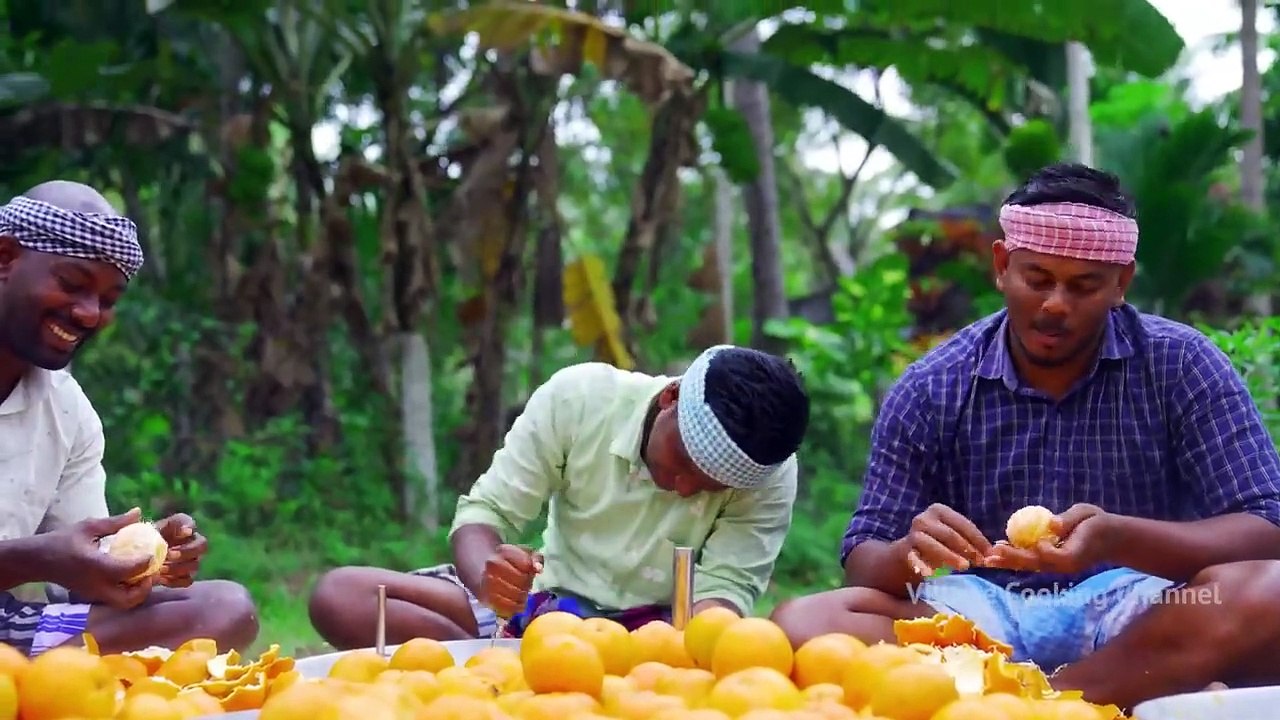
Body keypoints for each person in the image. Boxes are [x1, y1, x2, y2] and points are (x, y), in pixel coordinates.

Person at [769, 163, 1280, 711]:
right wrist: (908, 553)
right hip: (971, 619)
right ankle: (1091, 696)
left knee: (1269, 591)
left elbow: (1266, 527)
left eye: (1084, 285)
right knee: (803, 622)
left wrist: (1116, 538)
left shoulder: (1181, 365)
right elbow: (863, 557)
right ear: (1001, 265)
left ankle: (1041, 701)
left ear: (1121, 284)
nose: (1056, 304)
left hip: (1139, 609)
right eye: (1037, 279)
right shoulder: (932, 385)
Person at [308, 344, 809, 647]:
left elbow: (725, 591)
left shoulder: (768, 472)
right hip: (539, 605)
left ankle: (505, 676)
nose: (684, 487)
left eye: (709, 485)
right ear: (670, 397)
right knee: (342, 597)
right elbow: (486, 514)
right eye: (683, 460)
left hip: (654, 640)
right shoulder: (580, 398)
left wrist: (678, 653)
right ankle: (499, 667)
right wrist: (490, 575)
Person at [0, 181, 259, 656]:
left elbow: (81, 579)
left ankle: (38, 681)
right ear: (4, 258)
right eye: (73, 285)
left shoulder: (68, 411)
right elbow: (45, 560)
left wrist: (135, 561)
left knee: (223, 608)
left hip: (11, 630)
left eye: (109, 300)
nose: (89, 313)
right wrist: (34, 558)